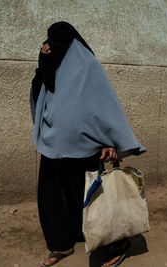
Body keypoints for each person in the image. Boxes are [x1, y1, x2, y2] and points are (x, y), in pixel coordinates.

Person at [29, 21, 146, 267]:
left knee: (98, 200)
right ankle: (62, 245)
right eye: (49, 41)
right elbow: (39, 93)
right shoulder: (52, 66)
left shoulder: (88, 65)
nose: (52, 45)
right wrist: (43, 63)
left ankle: (117, 244)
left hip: (86, 147)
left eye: (58, 41)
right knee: (53, 198)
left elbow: (104, 103)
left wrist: (110, 140)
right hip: (53, 146)